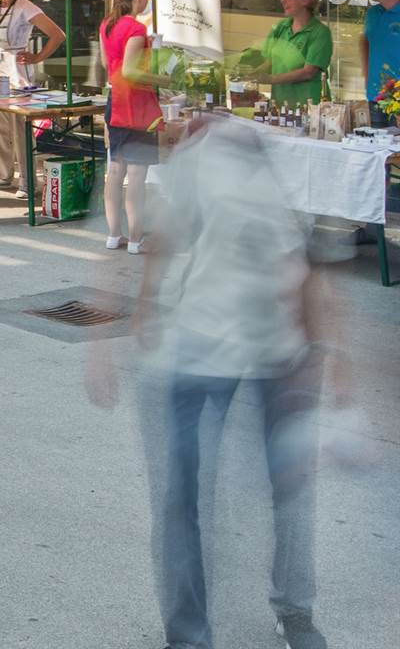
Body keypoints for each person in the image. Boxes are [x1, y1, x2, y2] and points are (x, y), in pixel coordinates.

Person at [88, 116, 343, 649]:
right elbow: (162, 242)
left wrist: (319, 358)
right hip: (213, 350)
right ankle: (217, 629)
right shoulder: (220, 164)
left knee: (230, 493)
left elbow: (307, 270)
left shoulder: (237, 166)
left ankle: (266, 616)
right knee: (200, 497)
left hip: (259, 350)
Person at [0, 0, 66, 196]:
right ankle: (2, 174)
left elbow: (58, 35)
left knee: (20, 127)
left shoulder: (26, 8)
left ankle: (28, 180)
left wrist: (37, 56)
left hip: (17, 71)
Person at [99, 0, 159, 253]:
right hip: (137, 104)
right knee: (136, 174)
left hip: (115, 100)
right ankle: (135, 239)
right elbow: (131, 71)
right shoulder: (136, 29)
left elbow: (106, 63)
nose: (147, 0)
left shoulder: (107, 24)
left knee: (115, 169)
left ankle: (114, 235)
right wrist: (163, 80)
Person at [253, 0, 333, 106]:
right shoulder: (280, 27)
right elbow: (268, 61)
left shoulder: (320, 32)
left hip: (309, 103)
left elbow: (308, 72)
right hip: (280, 102)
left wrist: (269, 79)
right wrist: (251, 73)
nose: (283, 1)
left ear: (306, 0)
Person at [362, 0, 400, 127]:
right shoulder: (372, 14)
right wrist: (366, 74)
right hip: (375, 97)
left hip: (398, 101)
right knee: (375, 149)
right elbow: (365, 41)